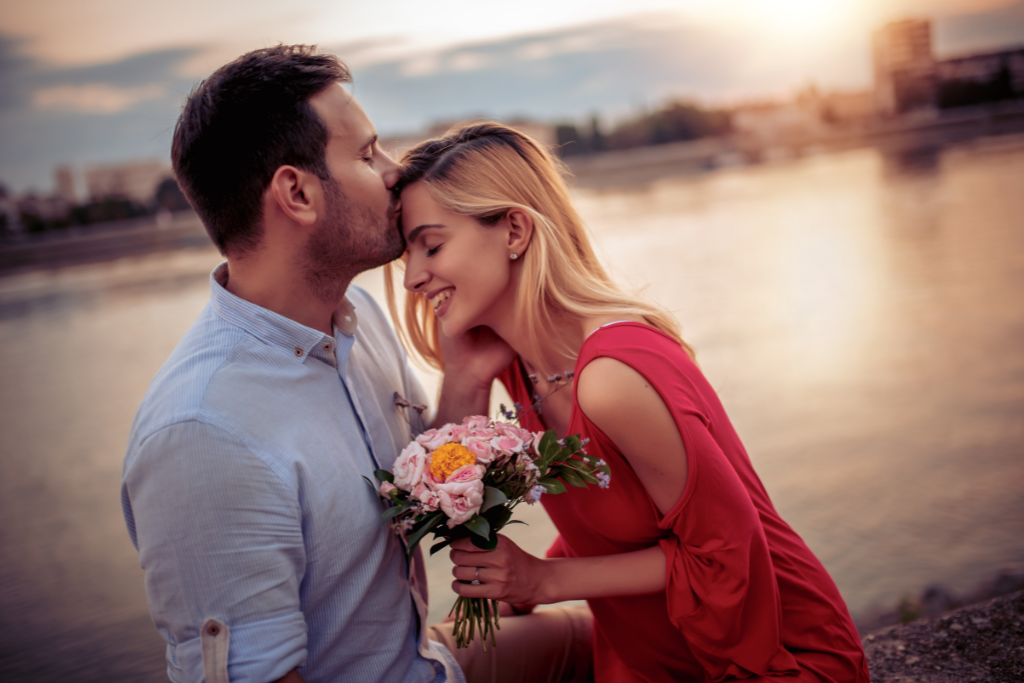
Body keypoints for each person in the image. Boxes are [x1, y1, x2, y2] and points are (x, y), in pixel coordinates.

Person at [121, 48, 591, 683]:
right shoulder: (204, 436)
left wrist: (467, 376)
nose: (396, 171)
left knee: (624, 636)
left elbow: (416, 500)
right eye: (368, 154)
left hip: (426, 660)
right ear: (296, 192)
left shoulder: (358, 317)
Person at [390, 122, 871, 682]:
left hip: (771, 659)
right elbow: (437, 503)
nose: (413, 279)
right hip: (642, 653)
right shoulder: (523, 372)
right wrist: (466, 377)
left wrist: (542, 583)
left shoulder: (613, 376)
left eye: (432, 245)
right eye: (408, 256)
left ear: (515, 229)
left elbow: (725, 556)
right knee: (428, 663)